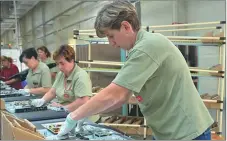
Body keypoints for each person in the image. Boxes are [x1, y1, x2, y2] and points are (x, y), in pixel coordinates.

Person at [55, 1, 214, 140]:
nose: (111, 43)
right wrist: (86, 113)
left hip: (187, 133)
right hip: (168, 131)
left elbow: (115, 94)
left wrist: (74, 116)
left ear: (126, 26)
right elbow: (122, 97)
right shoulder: (142, 46)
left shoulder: (146, 48)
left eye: (111, 36)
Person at [31, 45, 100, 135]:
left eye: (62, 63)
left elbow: (83, 101)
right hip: (66, 115)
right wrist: (42, 100)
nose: (59, 67)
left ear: (71, 60)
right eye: (57, 64)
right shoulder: (61, 74)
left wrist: (64, 108)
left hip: (83, 120)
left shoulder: (81, 76)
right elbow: (52, 91)